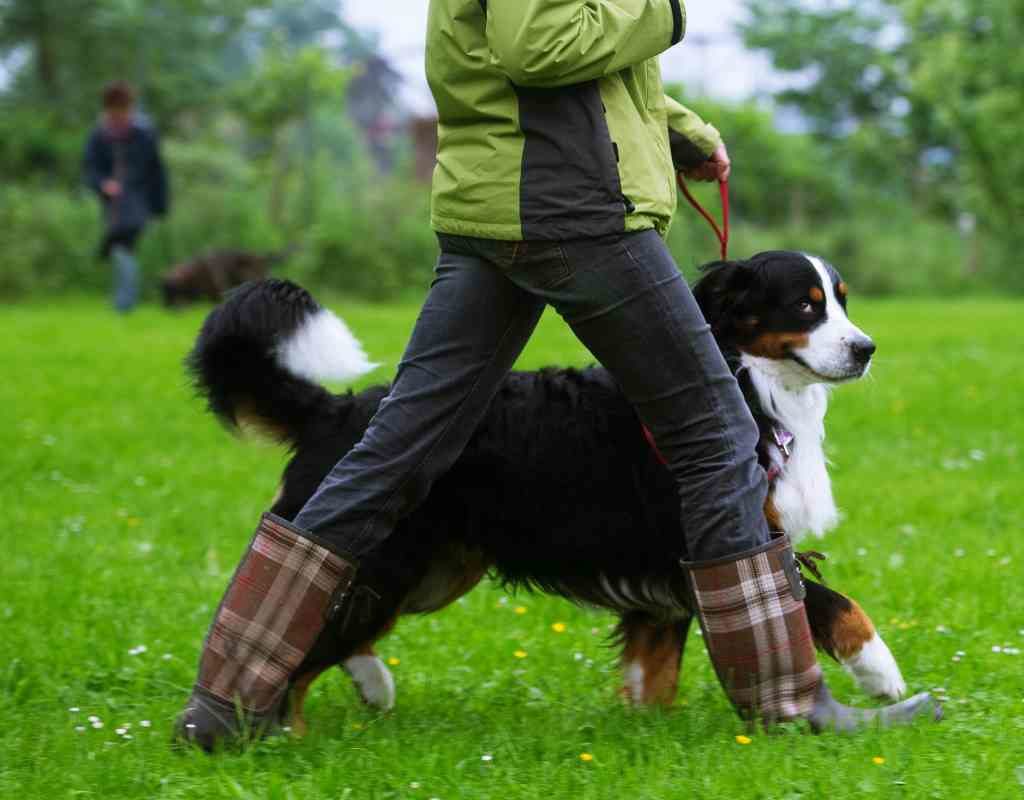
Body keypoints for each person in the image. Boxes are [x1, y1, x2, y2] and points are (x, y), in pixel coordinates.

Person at [178, 1, 937, 749]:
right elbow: (538, 44)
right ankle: (789, 702)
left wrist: (677, 132)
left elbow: (557, 59)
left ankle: (231, 702)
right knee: (717, 432)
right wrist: (663, 15)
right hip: (574, 206)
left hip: (500, 200)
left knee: (395, 447)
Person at [82, 81, 169, 313]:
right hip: (112, 206)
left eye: (124, 109)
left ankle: (124, 304)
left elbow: (157, 171)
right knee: (121, 249)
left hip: (138, 201)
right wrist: (103, 184)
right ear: (108, 109)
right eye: (116, 110)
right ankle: (124, 300)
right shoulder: (99, 135)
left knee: (122, 245)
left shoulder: (145, 133)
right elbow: (90, 170)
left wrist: (160, 206)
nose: (121, 115)